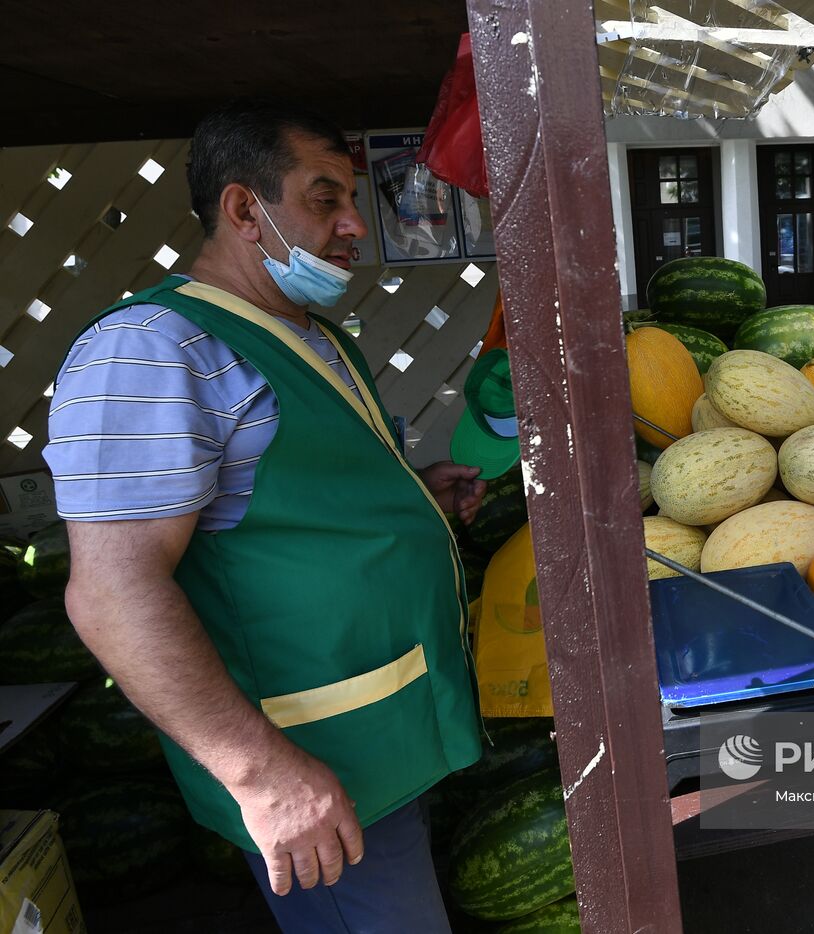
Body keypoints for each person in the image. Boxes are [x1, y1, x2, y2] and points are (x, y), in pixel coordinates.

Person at [44, 101, 489, 932]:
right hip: (312, 768)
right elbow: (111, 593)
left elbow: (289, 510)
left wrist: (416, 497)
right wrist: (262, 776)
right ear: (245, 209)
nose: (356, 223)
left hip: (385, 745)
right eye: (325, 199)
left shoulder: (309, 335)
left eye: (352, 197)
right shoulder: (152, 348)